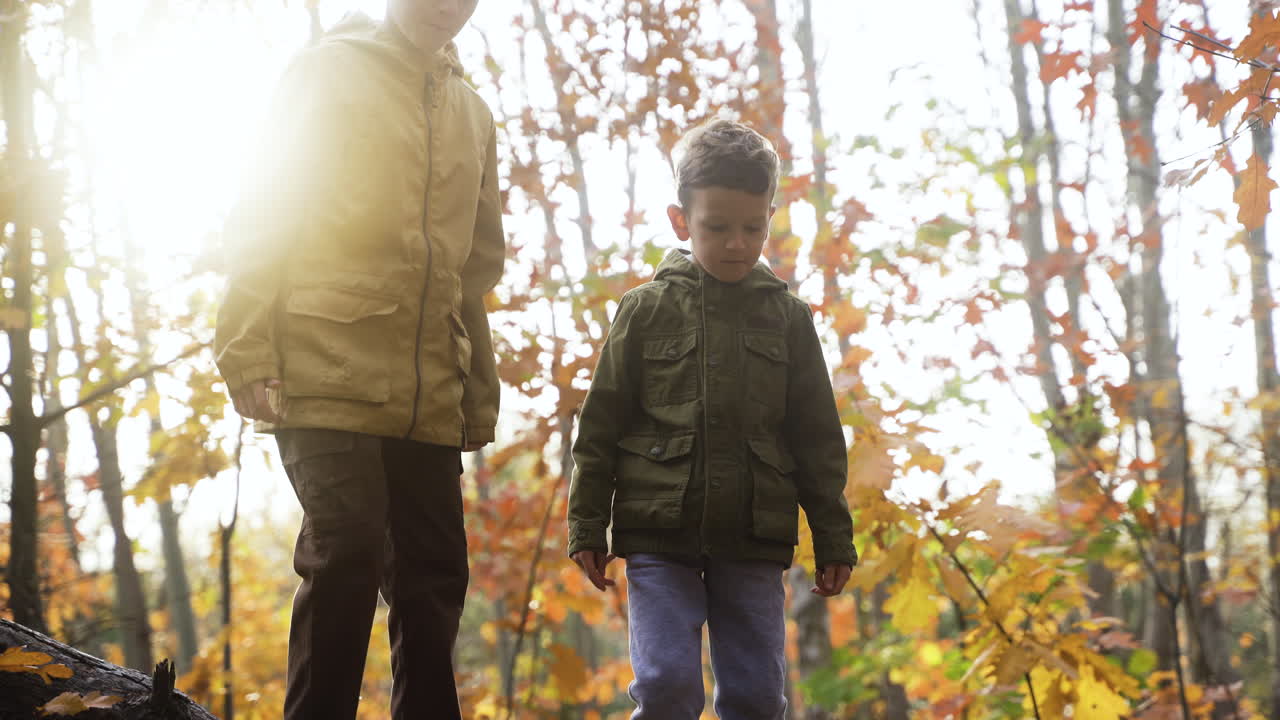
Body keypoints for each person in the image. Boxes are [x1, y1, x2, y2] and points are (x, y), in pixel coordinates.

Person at [213, 0, 503, 718]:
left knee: (434, 576)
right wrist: (245, 340)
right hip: (323, 362)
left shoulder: (474, 113)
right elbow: (264, 207)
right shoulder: (325, 73)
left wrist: (477, 389)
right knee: (346, 547)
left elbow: (475, 267)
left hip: (430, 387)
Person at [566, 119, 857, 720]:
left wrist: (832, 535)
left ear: (770, 216)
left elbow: (817, 441)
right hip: (657, 538)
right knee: (667, 684)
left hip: (754, 539)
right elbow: (598, 430)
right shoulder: (643, 311)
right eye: (717, 227)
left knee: (755, 697)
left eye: (753, 227)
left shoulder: (789, 320)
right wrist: (587, 525)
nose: (736, 243)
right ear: (681, 222)